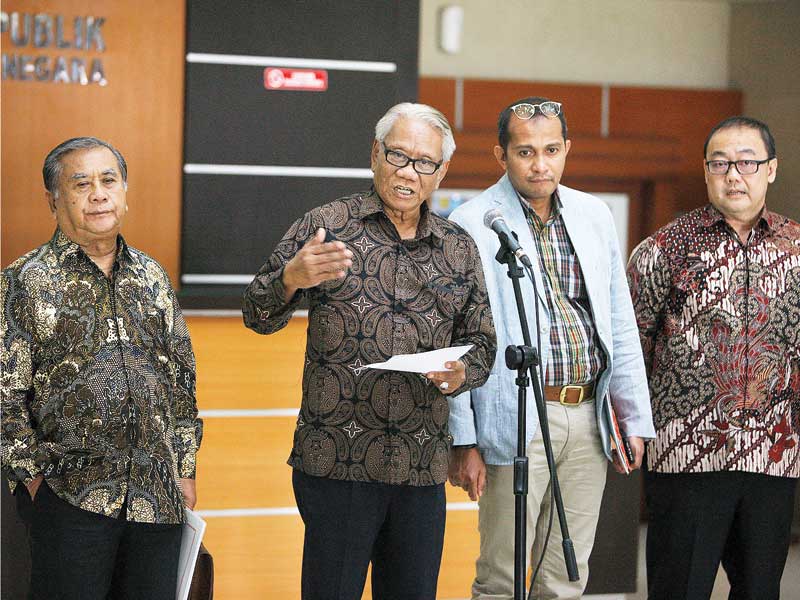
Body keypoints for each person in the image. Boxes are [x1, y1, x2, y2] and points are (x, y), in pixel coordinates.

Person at [242, 102, 496, 600]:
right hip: (337, 460)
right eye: (399, 155)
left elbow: (484, 342)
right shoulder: (325, 225)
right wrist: (291, 280)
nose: (409, 173)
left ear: (442, 171)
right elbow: (257, 313)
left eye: (425, 162)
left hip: (420, 464)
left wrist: (460, 372)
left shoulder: (458, 247)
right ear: (375, 154)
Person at [447, 97, 655, 600]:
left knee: (566, 573)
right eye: (525, 152)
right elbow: (453, 338)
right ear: (501, 156)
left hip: (588, 416)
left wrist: (634, 417)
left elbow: (619, 323)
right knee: (500, 577)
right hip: (512, 412)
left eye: (551, 149)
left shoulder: (594, 214)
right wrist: (462, 439)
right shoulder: (472, 223)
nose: (540, 164)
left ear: (567, 150)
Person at [0, 137, 202, 600]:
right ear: (54, 199)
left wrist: (185, 467)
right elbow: (5, 395)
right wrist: (34, 482)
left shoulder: (152, 277)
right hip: (70, 499)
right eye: (81, 183)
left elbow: (182, 381)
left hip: (157, 500)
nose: (98, 193)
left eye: (108, 180)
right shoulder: (23, 281)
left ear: (125, 192)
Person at [627, 116, 800, 600]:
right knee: (678, 589)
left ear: (771, 169)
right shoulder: (663, 250)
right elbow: (630, 350)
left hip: (774, 456)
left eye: (747, 162)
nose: (733, 174)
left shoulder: (797, 248)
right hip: (686, 458)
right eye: (720, 163)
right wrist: (632, 429)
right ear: (706, 172)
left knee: (760, 589)